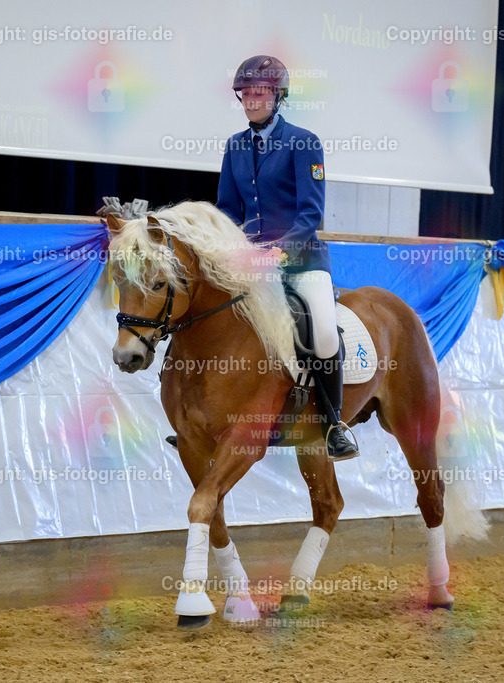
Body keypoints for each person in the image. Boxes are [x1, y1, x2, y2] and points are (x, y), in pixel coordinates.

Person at [217, 55, 358, 462]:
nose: (251, 100)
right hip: (251, 262)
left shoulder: (303, 142)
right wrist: (229, 249)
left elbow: (310, 213)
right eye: (246, 93)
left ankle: (334, 424)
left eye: (260, 93)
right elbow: (228, 209)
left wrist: (282, 251)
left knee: (324, 332)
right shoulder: (235, 147)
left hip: (301, 260)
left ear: (278, 96)